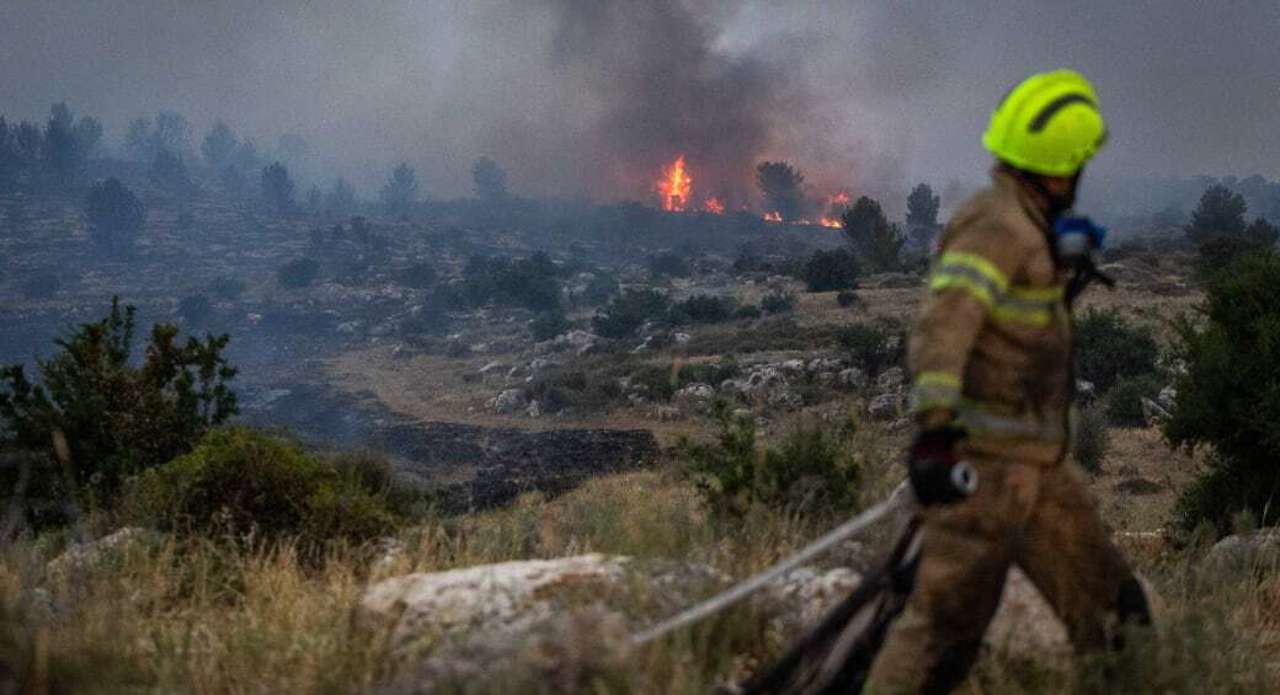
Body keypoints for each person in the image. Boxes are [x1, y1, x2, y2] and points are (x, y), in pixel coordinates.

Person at [862, 69, 1151, 693]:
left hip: (1039, 473)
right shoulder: (995, 224)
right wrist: (936, 435)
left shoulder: (1026, 224)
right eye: (1077, 165)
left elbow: (1013, 327)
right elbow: (944, 328)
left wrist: (1057, 273)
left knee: (1115, 616)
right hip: (984, 474)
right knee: (940, 636)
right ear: (1057, 165)